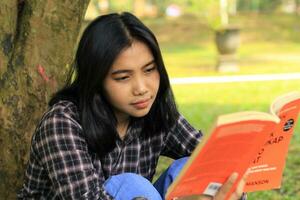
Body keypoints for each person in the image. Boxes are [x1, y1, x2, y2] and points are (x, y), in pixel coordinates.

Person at [17, 12, 247, 200]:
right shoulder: (63, 122)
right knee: (129, 184)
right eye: (123, 77)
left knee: (194, 167)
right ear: (97, 80)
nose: (141, 88)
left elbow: (210, 153)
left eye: (149, 70)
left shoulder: (154, 110)